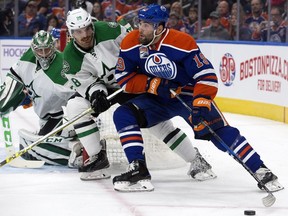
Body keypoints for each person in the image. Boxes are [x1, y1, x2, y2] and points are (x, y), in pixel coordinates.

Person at [112, 4, 284, 192]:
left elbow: (206, 76)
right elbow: (124, 77)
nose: (140, 29)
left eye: (146, 25)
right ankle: (138, 169)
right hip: (157, 97)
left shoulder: (181, 42)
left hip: (188, 95)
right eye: (140, 23)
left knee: (218, 132)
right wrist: (152, 85)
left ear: (159, 28)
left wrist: (201, 104)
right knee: (123, 114)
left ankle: (260, 170)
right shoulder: (131, 42)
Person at [62, 7, 216, 181]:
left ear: (92, 24)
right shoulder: (69, 58)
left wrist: (148, 74)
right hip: (106, 89)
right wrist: (96, 93)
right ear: (71, 33)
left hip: (133, 80)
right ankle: (98, 157)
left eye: (87, 28)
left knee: (158, 125)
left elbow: (140, 43)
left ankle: (196, 160)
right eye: (78, 31)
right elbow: (85, 81)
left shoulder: (111, 30)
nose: (85, 34)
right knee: (75, 106)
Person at [0, 30, 77, 166]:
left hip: (59, 118)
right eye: (39, 50)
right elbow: (15, 76)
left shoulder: (62, 68)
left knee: (31, 149)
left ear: (53, 47)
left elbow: (77, 96)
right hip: (45, 119)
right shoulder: (28, 57)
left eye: (47, 50)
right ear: (33, 49)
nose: (43, 54)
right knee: (27, 145)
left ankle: (78, 151)